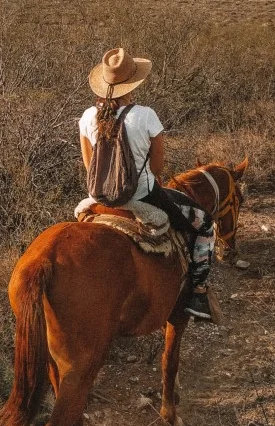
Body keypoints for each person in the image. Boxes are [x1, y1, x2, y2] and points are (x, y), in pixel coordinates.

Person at [79, 48, 215, 320]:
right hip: (141, 193)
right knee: (204, 225)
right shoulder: (145, 115)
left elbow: (88, 163)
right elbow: (156, 166)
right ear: (133, 84)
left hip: (99, 196)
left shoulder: (87, 117)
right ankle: (198, 293)